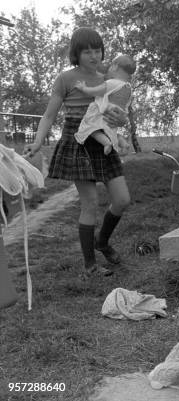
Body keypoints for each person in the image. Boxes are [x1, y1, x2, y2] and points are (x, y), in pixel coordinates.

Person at [24, 27, 130, 277]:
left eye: (97, 50)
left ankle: (102, 242)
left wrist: (121, 127)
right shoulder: (65, 79)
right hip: (78, 138)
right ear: (76, 53)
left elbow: (113, 113)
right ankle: (90, 265)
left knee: (123, 199)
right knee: (90, 203)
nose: (94, 56)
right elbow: (49, 115)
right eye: (87, 51)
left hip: (102, 137)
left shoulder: (106, 79)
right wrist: (38, 141)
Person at [74, 54, 135, 155]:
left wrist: (83, 88)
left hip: (105, 113)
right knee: (112, 132)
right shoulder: (128, 88)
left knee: (91, 129)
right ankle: (123, 143)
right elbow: (126, 106)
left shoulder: (112, 83)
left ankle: (106, 143)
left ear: (115, 66)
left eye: (111, 66)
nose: (109, 69)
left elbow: (96, 91)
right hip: (115, 115)